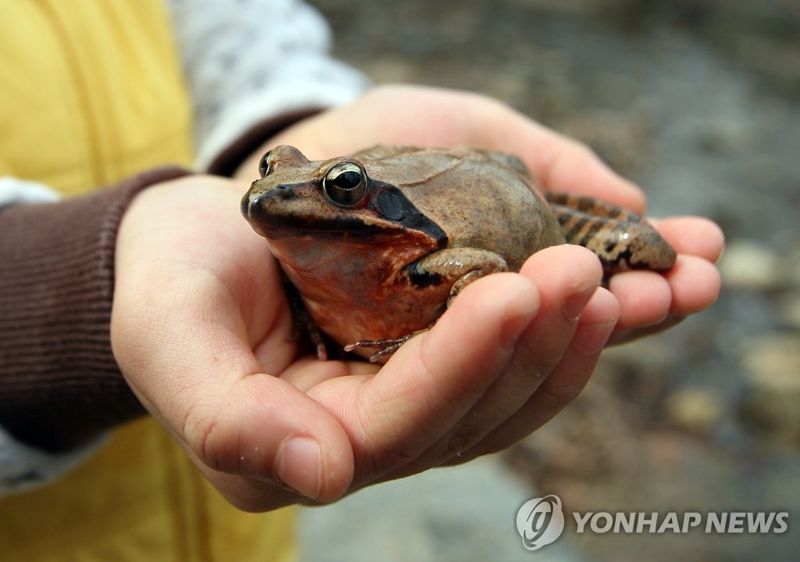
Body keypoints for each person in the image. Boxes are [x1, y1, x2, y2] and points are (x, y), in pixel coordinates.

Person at [0, 1, 723, 560]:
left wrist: (290, 116)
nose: (269, 202)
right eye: (269, 175)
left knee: (644, 250)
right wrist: (72, 274)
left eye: (338, 187)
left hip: (500, 203)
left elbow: (480, 266)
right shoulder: (292, 251)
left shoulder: (421, 257)